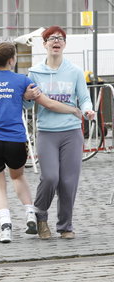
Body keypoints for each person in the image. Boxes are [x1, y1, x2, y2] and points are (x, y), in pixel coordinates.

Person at [0, 42, 83, 243]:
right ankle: (30, 213)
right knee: (18, 177)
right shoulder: (22, 80)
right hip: (16, 140)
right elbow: (48, 103)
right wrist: (72, 109)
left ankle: (5, 228)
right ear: (12, 60)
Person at [25, 26, 95, 240]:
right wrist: (27, 97)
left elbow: (83, 98)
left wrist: (87, 110)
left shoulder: (74, 71)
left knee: (68, 181)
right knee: (50, 178)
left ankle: (65, 225)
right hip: (47, 132)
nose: (56, 41)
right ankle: (41, 215)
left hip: (71, 131)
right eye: (51, 38)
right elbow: (28, 107)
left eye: (60, 38)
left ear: (64, 44)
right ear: (44, 44)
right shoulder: (34, 72)